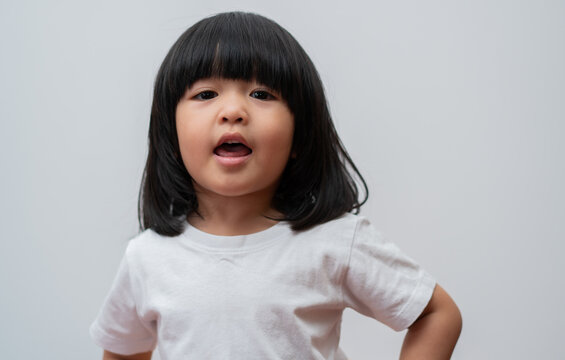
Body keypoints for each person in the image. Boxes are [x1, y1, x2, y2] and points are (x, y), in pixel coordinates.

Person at [90, 11, 462, 360]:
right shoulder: (148, 258)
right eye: (206, 94)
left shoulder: (333, 242)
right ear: (170, 133)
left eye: (262, 94)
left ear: (300, 135)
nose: (233, 110)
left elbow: (436, 314)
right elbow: (123, 350)